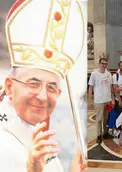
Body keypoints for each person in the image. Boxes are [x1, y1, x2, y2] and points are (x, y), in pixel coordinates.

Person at [0, 0, 87, 171]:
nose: (43, 96)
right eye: (33, 83)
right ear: (9, 87)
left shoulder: (42, 139)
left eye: (52, 87)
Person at [88, 58, 115, 144]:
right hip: (99, 100)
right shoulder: (94, 74)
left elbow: (110, 87)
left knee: (106, 118)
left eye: (106, 64)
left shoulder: (109, 74)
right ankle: (99, 135)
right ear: (99, 64)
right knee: (99, 119)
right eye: (102, 63)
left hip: (107, 100)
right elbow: (90, 87)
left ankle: (106, 133)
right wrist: (90, 100)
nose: (104, 65)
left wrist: (112, 99)